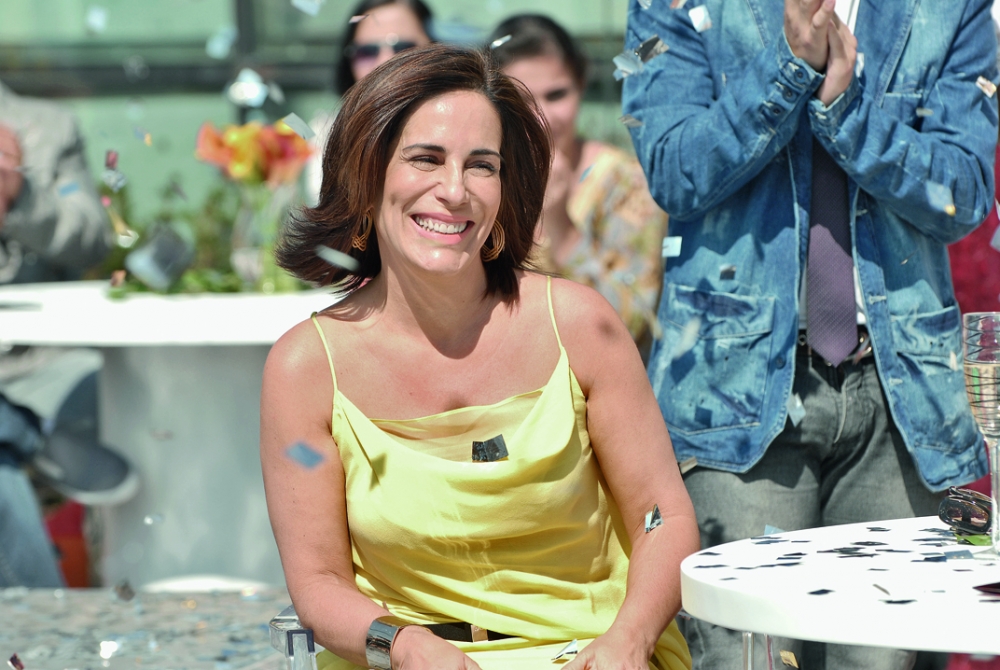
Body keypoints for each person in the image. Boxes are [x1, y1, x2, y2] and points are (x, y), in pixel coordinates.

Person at [261, 44, 699, 670]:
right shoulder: (303, 368)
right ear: (367, 172)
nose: (454, 190)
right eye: (426, 159)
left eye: (481, 166)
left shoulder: (579, 325)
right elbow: (318, 582)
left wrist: (628, 640)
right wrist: (402, 645)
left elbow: (664, 516)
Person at [623, 0, 998, 668]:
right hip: (731, 390)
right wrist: (789, 68)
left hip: (901, 392)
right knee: (746, 652)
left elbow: (964, 194)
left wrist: (847, 110)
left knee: (879, 657)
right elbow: (674, 169)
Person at [0, 81, 137, 587]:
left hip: (42, 363)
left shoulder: (46, 127)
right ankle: (24, 431)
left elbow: (90, 235)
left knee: (126, 400)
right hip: (36, 412)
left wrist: (18, 196)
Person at [487, 15, 668, 354]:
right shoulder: (480, 179)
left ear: (581, 84)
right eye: (521, 99)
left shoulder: (626, 181)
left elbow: (631, 322)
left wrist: (560, 223)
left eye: (556, 95)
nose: (542, 117)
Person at [305, 0, 434, 205]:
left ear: (436, 50)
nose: (384, 61)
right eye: (367, 52)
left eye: (403, 48)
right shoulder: (324, 134)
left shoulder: (464, 126)